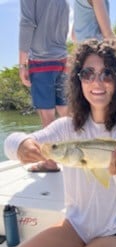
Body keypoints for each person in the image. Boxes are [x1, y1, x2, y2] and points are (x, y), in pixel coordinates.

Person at [3, 39, 116, 247]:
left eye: (107, 73)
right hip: (76, 226)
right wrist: (21, 144)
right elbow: (11, 143)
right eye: (88, 73)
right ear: (78, 79)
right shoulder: (66, 127)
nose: (97, 82)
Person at [19, 0, 70, 172]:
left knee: (47, 115)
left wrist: (21, 64)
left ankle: (50, 162)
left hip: (41, 62)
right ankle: (74, 156)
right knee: (66, 112)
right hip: (62, 60)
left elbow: (27, 24)